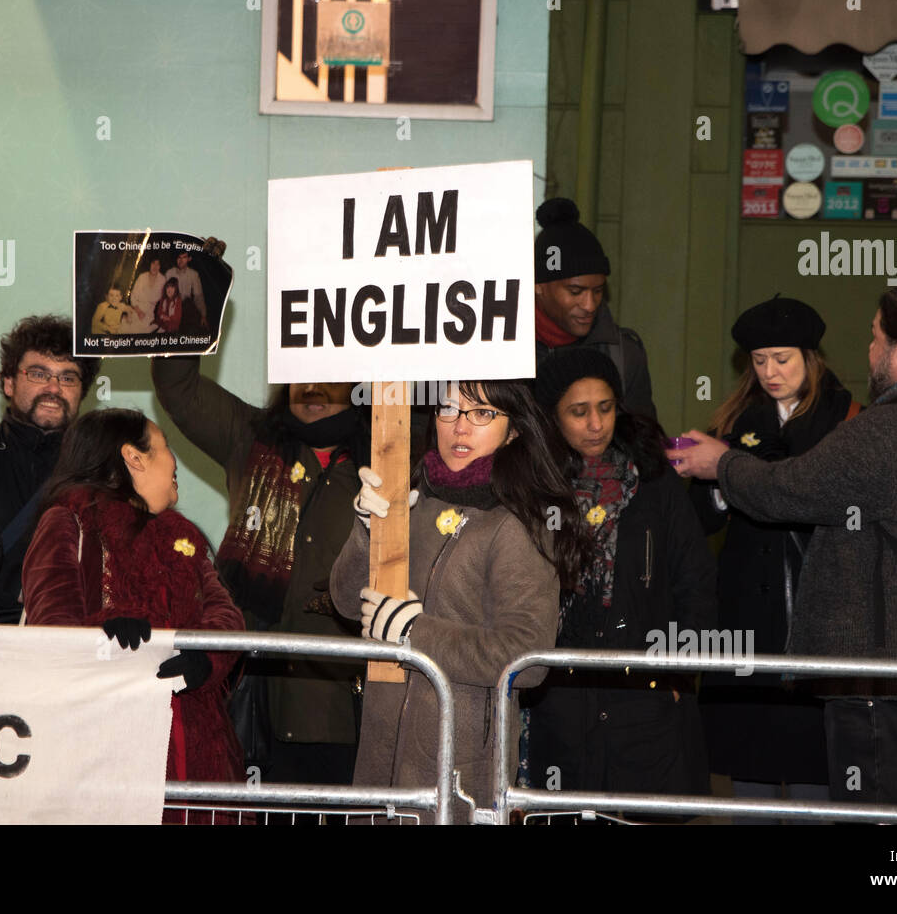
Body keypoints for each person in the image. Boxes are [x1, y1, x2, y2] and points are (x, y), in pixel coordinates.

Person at [667, 281, 897, 808]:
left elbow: (789, 491)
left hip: (892, 672)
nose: (867, 350)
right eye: (759, 360)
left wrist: (723, 465)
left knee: (880, 812)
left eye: (874, 337)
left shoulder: (879, 426)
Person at [151, 239, 368, 786]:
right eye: (300, 369)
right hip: (239, 686)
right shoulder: (251, 437)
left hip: (332, 704)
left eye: (329, 371)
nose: (311, 384)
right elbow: (176, 386)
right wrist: (197, 282)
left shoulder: (386, 460)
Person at [330, 380, 588, 822]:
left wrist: (416, 632)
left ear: (514, 431)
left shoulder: (519, 523)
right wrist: (365, 531)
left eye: (483, 413)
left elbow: (527, 657)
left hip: (460, 772)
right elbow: (346, 602)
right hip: (379, 759)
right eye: (449, 409)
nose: (460, 427)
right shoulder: (409, 495)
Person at [20, 408, 245, 815]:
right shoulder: (68, 523)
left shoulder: (183, 538)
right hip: (101, 747)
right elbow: (51, 630)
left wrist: (205, 658)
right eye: (165, 448)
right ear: (134, 458)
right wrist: (103, 632)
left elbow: (226, 616)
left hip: (191, 744)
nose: (174, 463)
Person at [525, 350, 715, 813]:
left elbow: (695, 579)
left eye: (606, 408)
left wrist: (679, 673)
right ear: (552, 418)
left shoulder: (653, 483)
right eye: (579, 411)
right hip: (561, 697)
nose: (596, 424)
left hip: (646, 696)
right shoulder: (533, 486)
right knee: (566, 812)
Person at [690, 296, 858, 819]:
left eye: (782, 359)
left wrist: (741, 474)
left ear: (811, 357)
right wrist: (717, 483)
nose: (770, 372)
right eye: (759, 361)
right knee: (751, 759)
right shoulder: (737, 419)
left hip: (820, 611)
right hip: (747, 612)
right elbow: (705, 518)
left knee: (816, 766)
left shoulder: (847, 419)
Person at [0, 315, 101, 623]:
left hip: (73, 638)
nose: (54, 388)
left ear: (82, 392)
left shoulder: (100, 468)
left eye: (68, 377)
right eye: (39, 374)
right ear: (9, 383)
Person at [534, 197, 657, 421]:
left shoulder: (624, 355)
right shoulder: (503, 353)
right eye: (575, 292)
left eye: (598, 291)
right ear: (539, 286)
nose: (590, 305)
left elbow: (645, 443)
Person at [164, 250, 208, 331]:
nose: (181, 260)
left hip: (186, 307)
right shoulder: (169, 273)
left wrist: (203, 315)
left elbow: (198, 296)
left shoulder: (193, 274)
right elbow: (164, 296)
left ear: (189, 259)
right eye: (179, 258)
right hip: (172, 306)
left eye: (184, 257)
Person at [128, 258, 167, 333]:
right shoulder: (142, 277)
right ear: (149, 264)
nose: (155, 267)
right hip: (136, 309)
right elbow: (133, 296)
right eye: (153, 263)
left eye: (157, 264)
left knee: (141, 331)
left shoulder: (162, 280)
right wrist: (138, 311)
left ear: (160, 266)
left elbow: (163, 300)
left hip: (150, 313)